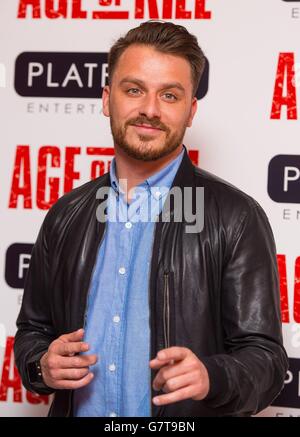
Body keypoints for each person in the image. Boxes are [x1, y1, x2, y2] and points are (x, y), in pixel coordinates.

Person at [14, 21, 288, 417]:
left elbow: (266, 360)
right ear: (107, 99)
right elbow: (32, 332)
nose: (150, 109)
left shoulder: (235, 217)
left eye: (170, 95)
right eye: (134, 89)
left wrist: (213, 376)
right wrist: (43, 364)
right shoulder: (65, 215)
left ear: (190, 111)